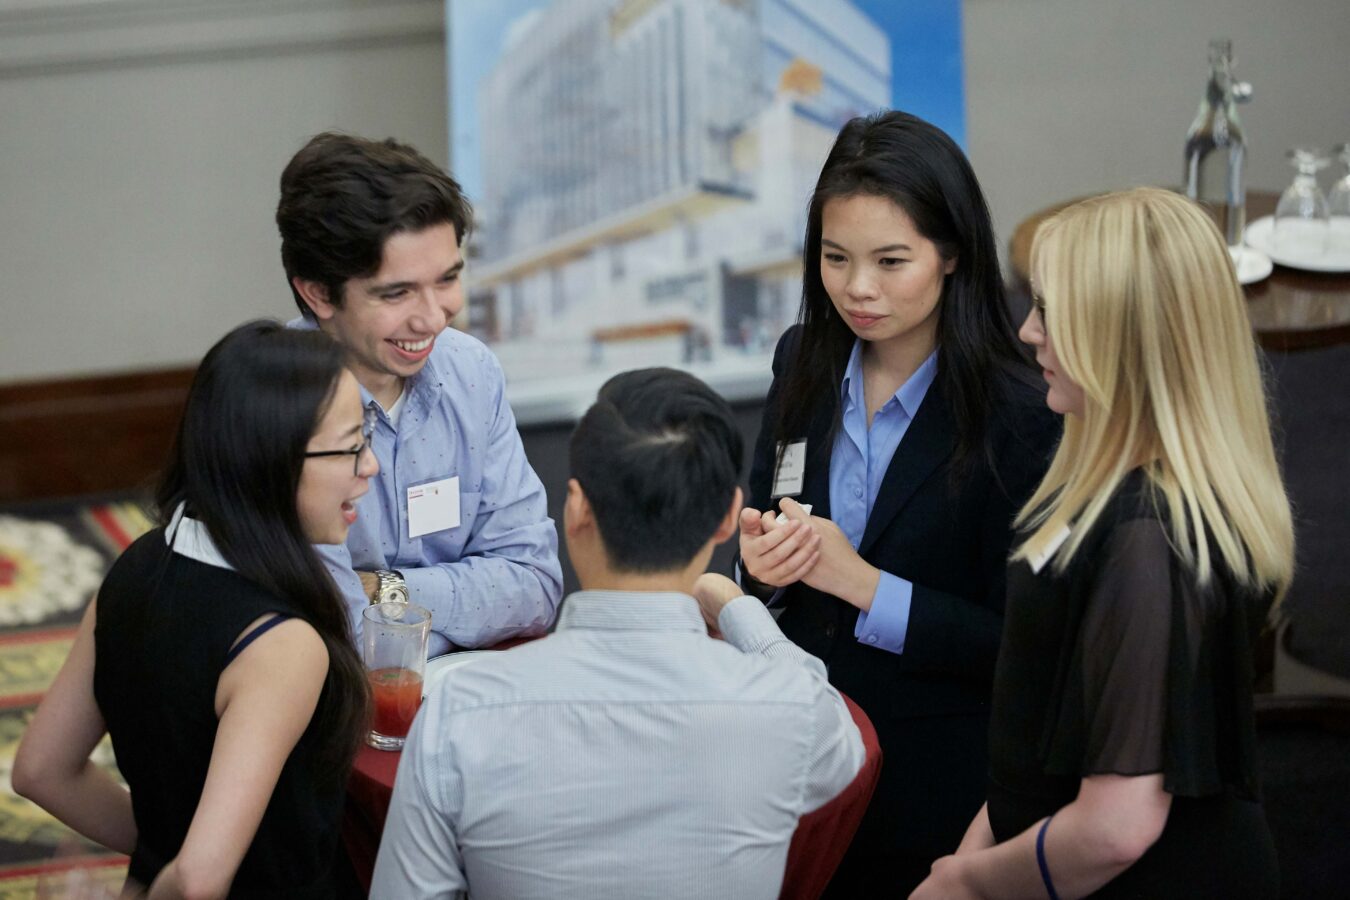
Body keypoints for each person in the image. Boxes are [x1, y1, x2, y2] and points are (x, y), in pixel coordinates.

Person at [912, 188, 1294, 899]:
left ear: (1121, 336)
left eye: (1051, 312)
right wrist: (982, 845)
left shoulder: (1147, 541)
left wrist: (968, 884)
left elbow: (1116, 827)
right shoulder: (1119, 490)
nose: (1028, 331)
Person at [370, 368, 866, 900]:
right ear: (727, 517)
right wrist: (736, 606)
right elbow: (841, 734)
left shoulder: (460, 713)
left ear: (577, 508)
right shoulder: (794, 708)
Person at [736, 109, 1061, 895]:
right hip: (800, 744)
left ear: (951, 254)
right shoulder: (804, 358)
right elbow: (767, 540)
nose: (858, 289)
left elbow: (1023, 645)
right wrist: (766, 567)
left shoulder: (1020, 411)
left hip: (939, 771)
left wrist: (866, 587)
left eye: (891, 260)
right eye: (835, 257)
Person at [13, 321, 377, 898]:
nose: (371, 467)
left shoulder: (135, 564)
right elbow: (200, 881)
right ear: (272, 460)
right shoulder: (281, 644)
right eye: (352, 446)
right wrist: (184, 868)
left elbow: (41, 771)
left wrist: (164, 850)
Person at [277, 132, 562, 656]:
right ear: (318, 292)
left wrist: (388, 592)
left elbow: (535, 585)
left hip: (469, 703)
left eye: (448, 279)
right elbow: (314, 628)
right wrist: (464, 604)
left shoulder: (470, 371)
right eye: (398, 292)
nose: (433, 317)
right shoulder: (269, 405)